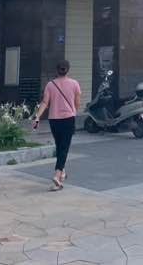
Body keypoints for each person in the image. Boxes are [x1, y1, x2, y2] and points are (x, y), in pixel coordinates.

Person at [32, 60, 81, 190]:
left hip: (54, 120)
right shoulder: (74, 84)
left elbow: (44, 102)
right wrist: (73, 112)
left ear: (57, 70)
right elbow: (77, 103)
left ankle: (62, 171)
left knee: (60, 146)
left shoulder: (50, 85)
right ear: (68, 70)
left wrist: (37, 117)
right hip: (68, 119)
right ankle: (57, 175)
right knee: (64, 148)